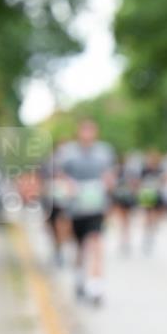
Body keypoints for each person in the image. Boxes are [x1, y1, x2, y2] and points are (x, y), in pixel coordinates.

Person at [57, 119, 116, 306]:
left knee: (96, 242)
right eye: (84, 131)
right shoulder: (68, 153)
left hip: (97, 207)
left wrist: (107, 184)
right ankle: (79, 278)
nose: (87, 134)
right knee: (80, 247)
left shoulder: (104, 152)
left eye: (91, 131)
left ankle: (96, 286)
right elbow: (61, 174)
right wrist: (69, 186)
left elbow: (110, 175)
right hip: (76, 208)